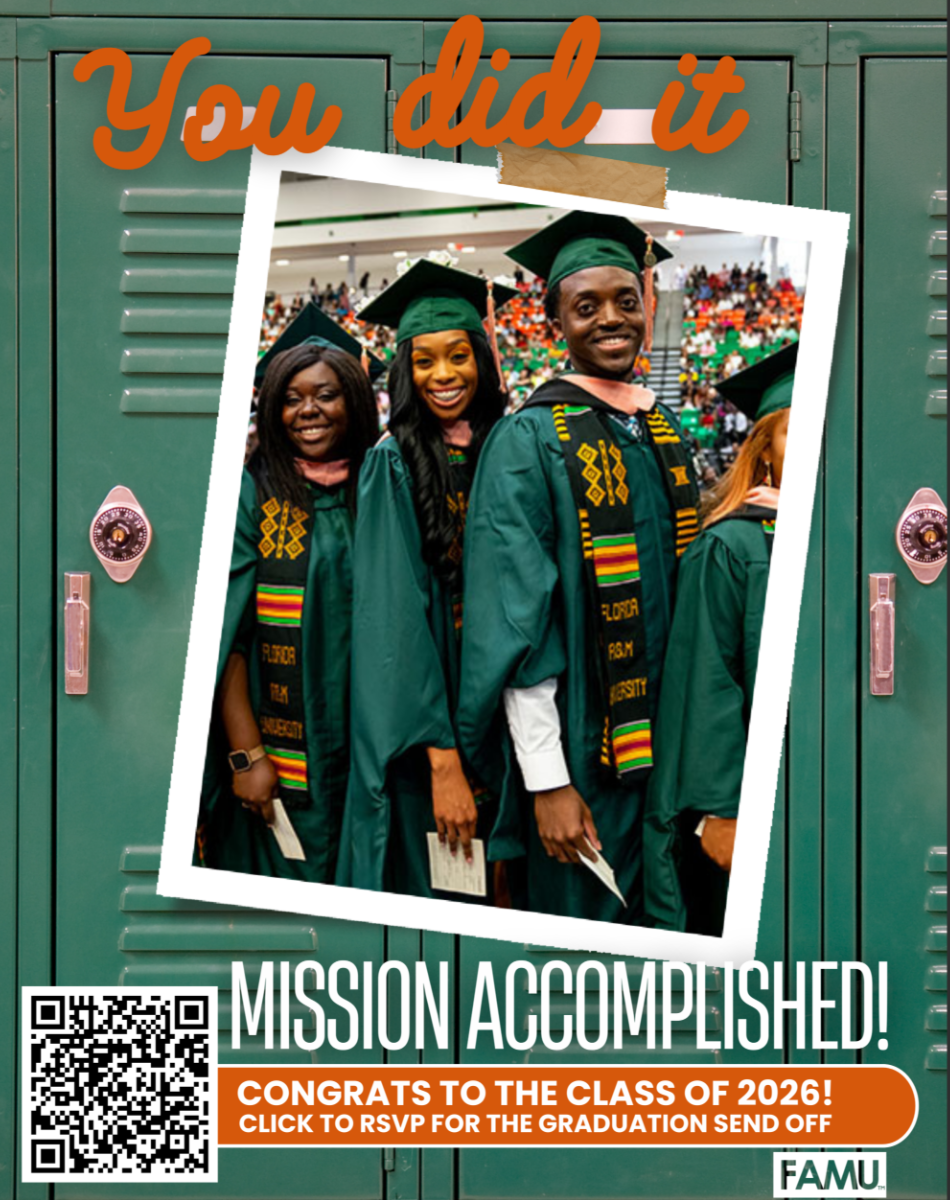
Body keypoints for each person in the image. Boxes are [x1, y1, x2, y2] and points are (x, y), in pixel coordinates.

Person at [457, 211, 700, 922]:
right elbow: (515, 619)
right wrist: (547, 780)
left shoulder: (660, 426)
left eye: (627, 301)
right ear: (555, 320)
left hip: (673, 746)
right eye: (585, 306)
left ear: (649, 305)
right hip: (586, 755)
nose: (611, 320)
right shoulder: (527, 439)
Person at [336, 261, 516, 898]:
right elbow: (394, 623)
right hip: (431, 739)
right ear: (404, 374)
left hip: (509, 717)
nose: (444, 375)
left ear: (483, 361)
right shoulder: (392, 465)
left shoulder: (508, 446)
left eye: (460, 355)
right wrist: (443, 760)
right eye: (424, 361)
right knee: (450, 897)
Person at [197, 303, 383, 883]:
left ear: (353, 401)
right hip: (279, 752)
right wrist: (247, 755)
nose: (308, 410)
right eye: (291, 397)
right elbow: (227, 634)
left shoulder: (383, 486)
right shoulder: (251, 496)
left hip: (369, 745)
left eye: (326, 394)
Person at [643, 341, 797, 936]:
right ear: (763, 454)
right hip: (749, 807)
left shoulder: (855, 542)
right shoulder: (733, 547)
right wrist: (720, 812)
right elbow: (704, 684)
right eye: (795, 433)